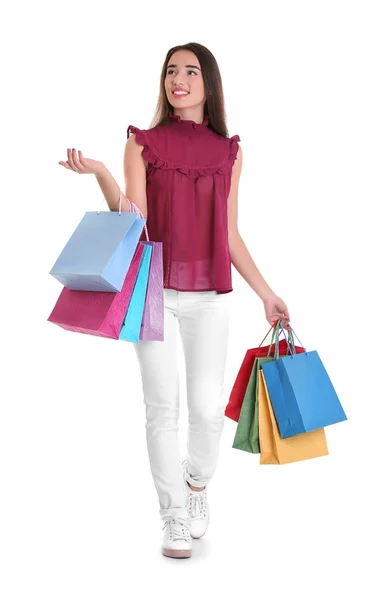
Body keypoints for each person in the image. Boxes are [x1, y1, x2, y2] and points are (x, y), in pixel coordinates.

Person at [59, 42, 290, 560]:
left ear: (209, 81)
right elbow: (134, 220)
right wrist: (101, 173)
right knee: (162, 410)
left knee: (207, 412)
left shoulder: (229, 151)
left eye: (189, 70)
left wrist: (267, 293)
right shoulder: (141, 144)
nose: (177, 78)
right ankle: (173, 517)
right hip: (154, 292)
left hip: (210, 296)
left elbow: (229, 234)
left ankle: (196, 483)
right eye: (170, 71)